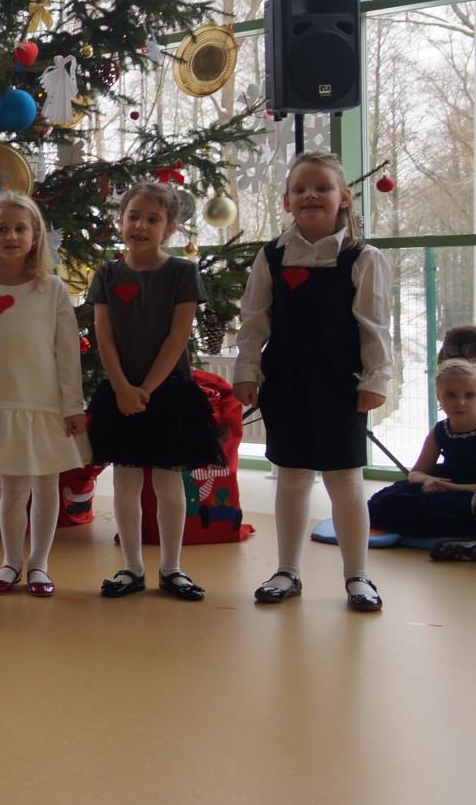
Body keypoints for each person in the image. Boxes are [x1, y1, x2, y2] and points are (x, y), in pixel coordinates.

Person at [233, 151, 392, 612]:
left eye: (322, 187)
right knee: (292, 477)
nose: (310, 195)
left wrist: (376, 379)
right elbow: (254, 321)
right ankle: (287, 571)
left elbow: (375, 326)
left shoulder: (362, 258)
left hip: (341, 382)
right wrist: (247, 370)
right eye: (300, 189)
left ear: (343, 197)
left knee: (345, 479)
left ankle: (357, 575)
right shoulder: (271, 256)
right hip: (286, 380)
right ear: (287, 200)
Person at [83, 182, 224, 601]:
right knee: (125, 481)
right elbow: (104, 336)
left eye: (152, 219)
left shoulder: (182, 273)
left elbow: (178, 337)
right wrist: (123, 389)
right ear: (120, 221)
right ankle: (131, 567)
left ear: (170, 228)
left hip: (170, 393)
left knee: (167, 482)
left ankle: (171, 568)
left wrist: (144, 389)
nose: (141, 226)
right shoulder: (107, 274)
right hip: (120, 393)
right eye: (133, 216)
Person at [0, 191, 89, 597]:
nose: (11, 236)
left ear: (35, 236)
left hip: (47, 406)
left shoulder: (51, 290)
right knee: (13, 488)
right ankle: (11, 561)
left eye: (20, 229)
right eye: (2, 229)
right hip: (1, 405)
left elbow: (67, 353)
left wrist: (73, 405)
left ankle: (39, 564)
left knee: (46, 485)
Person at [367, 358, 476, 549]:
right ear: (439, 396)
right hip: (443, 484)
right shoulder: (440, 430)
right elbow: (416, 473)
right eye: (451, 395)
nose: (460, 402)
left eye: (470, 395)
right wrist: (428, 480)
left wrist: (453, 488)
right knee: (380, 503)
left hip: (470, 491)